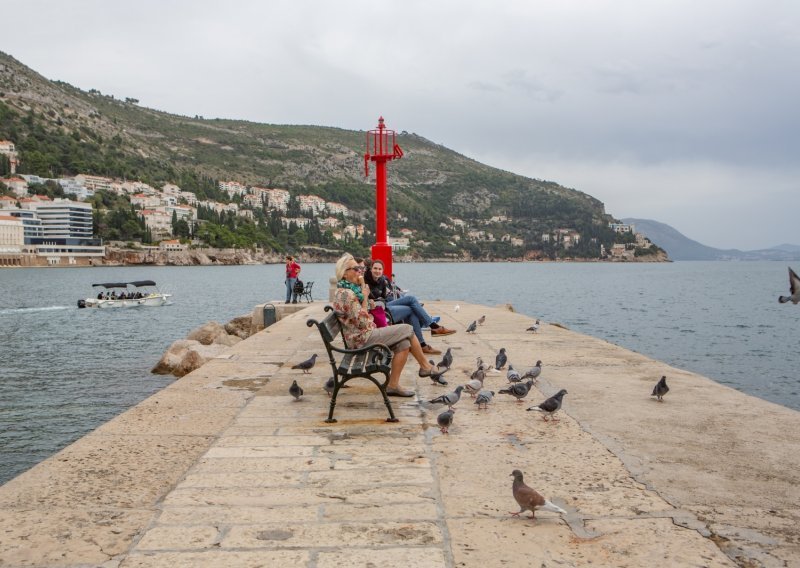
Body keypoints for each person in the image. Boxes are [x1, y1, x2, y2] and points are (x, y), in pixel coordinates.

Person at [333, 253, 438, 397]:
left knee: (404, 343)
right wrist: (364, 299)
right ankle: (425, 367)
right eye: (356, 269)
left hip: (362, 335)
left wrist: (364, 295)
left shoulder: (350, 290)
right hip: (362, 339)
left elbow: (369, 307)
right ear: (345, 273)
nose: (360, 271)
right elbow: (363, 322)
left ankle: (393, 385)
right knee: (408, 329)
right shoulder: (347, 294)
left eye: (360, 268)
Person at [365, 259, 455, 355]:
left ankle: (428, 336)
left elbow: (384, 298)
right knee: (412, 308)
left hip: (384, 305)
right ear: (371, 269)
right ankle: (428, 335)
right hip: (376, 310)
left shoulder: (382, 280)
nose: (377, 271)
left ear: (382, 270)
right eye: (375, 268)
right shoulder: (365, 280)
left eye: (380, 269)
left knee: (411, 299)